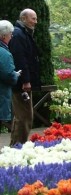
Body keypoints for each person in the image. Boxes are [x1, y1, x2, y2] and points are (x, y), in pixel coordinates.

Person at [8, 9, 41, 146]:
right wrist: (26, 80)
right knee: (24, 117)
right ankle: (16, 147)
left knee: (25, 116)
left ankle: (17, 145)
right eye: (33, 19)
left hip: (24, 82)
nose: (36, 22)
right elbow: (20, 59)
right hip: (21, 83)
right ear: (23, 19)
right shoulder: (18, 34)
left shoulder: (24, 34)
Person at [0, 21, 21, 129]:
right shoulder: (4, 53)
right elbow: (8, 74)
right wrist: (15, 75)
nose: (12, 36)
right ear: (3, 36)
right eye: (10, 34)